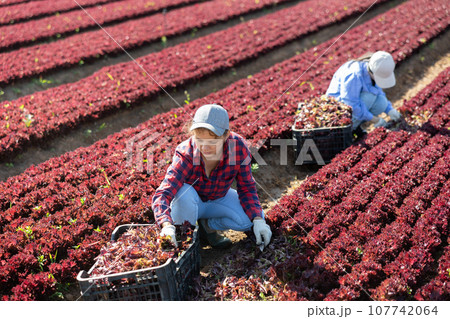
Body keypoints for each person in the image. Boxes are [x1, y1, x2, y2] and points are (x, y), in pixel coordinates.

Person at [151, 104, 272, 250]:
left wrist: (258, 220)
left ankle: (207, 227)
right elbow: (164, 193)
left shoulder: (237, 147)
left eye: (212, 142)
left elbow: (246, 187)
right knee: (183, 193)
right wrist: (166, 225)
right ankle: (186, 239)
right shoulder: (186, 153)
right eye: (199, 140)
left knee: (249, 220)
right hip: (189, 203)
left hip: (217, 199)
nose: (205, 147)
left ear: (226, 135)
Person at [326, 51, 402, 133]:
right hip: (340, 112)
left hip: (355, 107)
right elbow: (350, 105)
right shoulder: (354, 75)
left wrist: (389, 110)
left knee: (382, 102)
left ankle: (357, 125)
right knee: (370, 97)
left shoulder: (370, 70)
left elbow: (379, 92)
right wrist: (374, 119)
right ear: (372, 72)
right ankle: (351, 129)